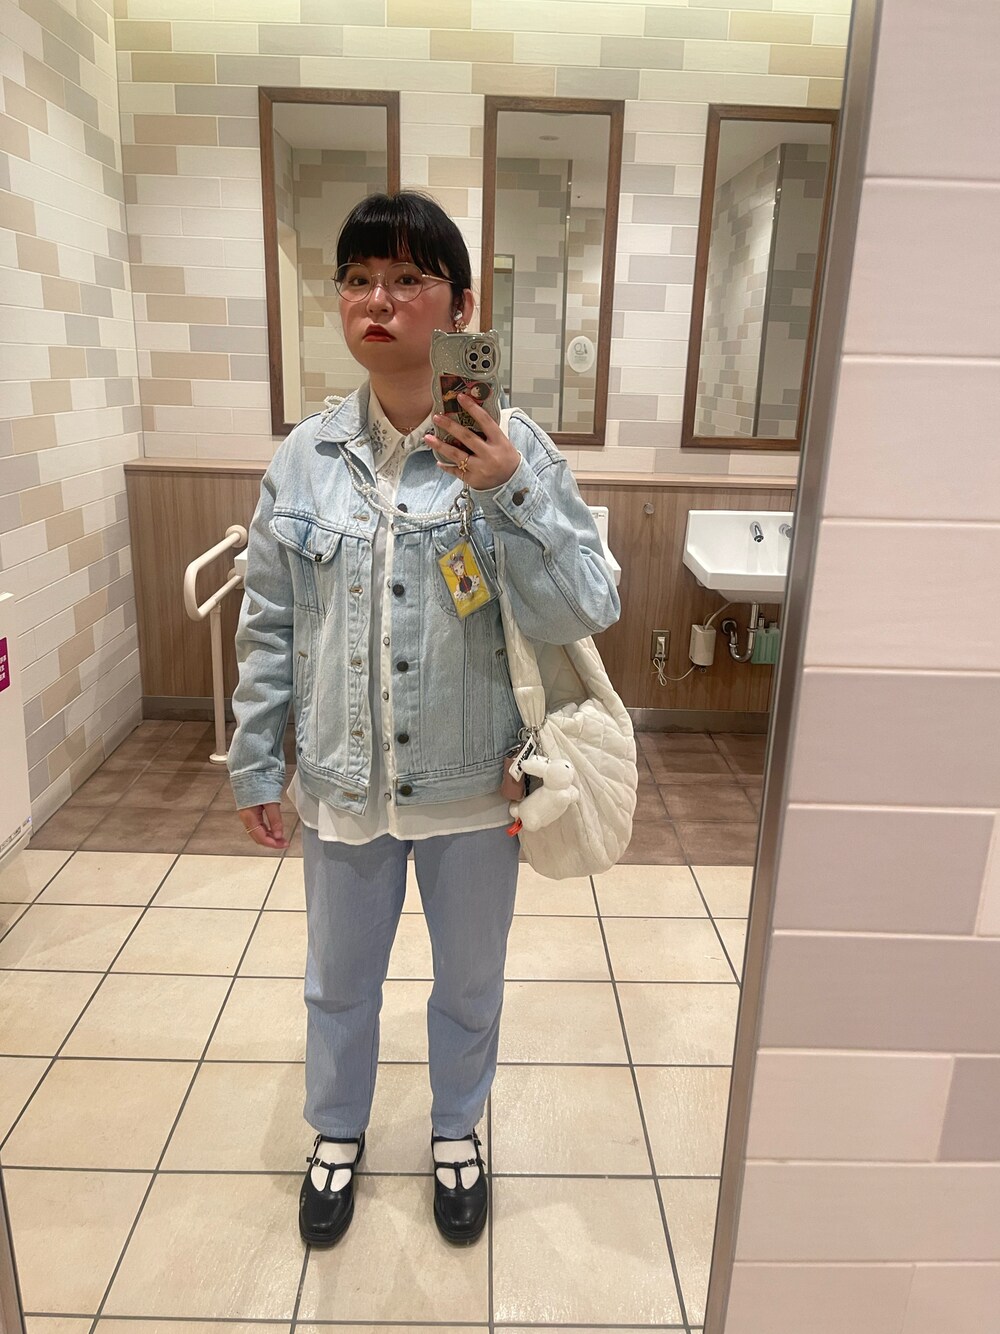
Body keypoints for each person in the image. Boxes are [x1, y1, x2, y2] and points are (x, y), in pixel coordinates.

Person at [227, 191, 620, 1248]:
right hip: (343, 778)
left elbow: (588, 604)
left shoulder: (513, 446)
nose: (378, 302)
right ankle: (336, 1132)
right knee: (337, 982)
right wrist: (256, 762)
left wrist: (512, 491)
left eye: (407, 279)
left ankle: (455, 1130)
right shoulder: (304, 458)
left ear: (461, 307)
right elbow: (269, 626)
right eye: (358, 280)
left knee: (469, 980)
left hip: (475, 781)